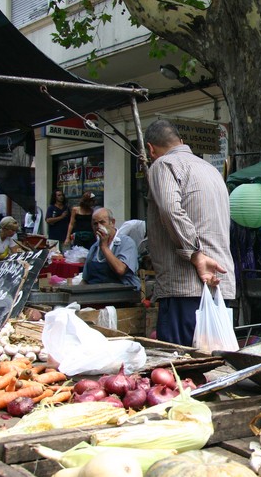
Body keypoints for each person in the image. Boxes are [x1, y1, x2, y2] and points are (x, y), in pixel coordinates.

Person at [144, 119, 235, 347]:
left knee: (183, 370)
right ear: (181, 142)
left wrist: (196, 255)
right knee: (213, 366)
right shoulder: (210, 170)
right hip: (218, 284)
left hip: (186, 285)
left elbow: (170, 209)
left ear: (150, 149)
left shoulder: (163, 165)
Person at [82, 208, 140, 290]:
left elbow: (120, 270)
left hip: (122, 293)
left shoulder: (126, 242)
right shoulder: (94, 247)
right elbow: (86, 279)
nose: (98, 227)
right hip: (96, 292)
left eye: (102, 222)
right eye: (95, 224)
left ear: (112, 222)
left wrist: (104, 247)